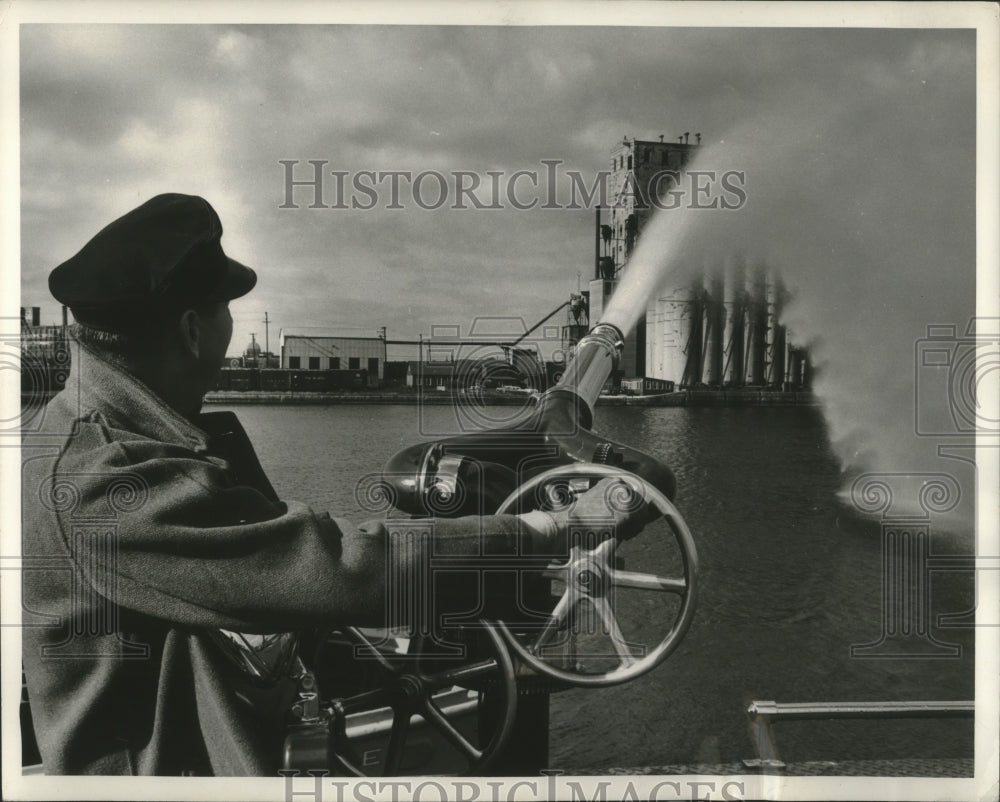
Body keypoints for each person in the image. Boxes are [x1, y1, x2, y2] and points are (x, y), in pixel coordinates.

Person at [21, 193, 648, 776]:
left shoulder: (96, 434)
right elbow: (329, 567)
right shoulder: (103, 479)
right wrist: (552, 527)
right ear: (191, 330)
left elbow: (258, 581)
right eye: (225, 310)